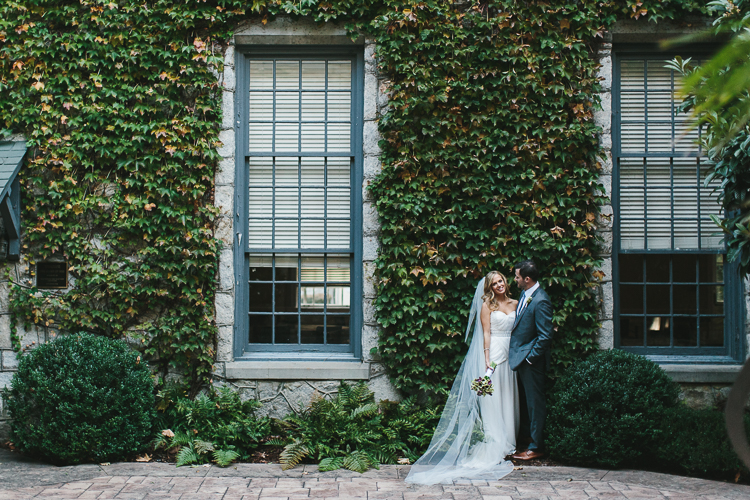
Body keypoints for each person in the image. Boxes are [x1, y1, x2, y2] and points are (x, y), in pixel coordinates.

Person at [405, 271, 520, 485]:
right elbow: (486, 332)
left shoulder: (515, 303)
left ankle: (509, 443)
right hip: (494, 355)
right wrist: (486, 357)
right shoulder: (487, 305)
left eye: (501, 281)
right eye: (494, 284)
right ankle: (496, 443)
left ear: (506, 282)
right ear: (490, 287)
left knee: (508, 397)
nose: (499, 285)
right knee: (493, 401)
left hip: (510, 355)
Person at [508, 260, 554, 461]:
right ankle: (527, 440)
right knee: (526, 402)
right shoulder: (526, 294)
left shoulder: (541, 300)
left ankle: (536, 447)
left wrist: (529, 359)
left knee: (535, 403)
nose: (515, 280)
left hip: (531, 362)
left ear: (527, 279)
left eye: (517, 276)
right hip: (520, 358)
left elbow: (545, 336)